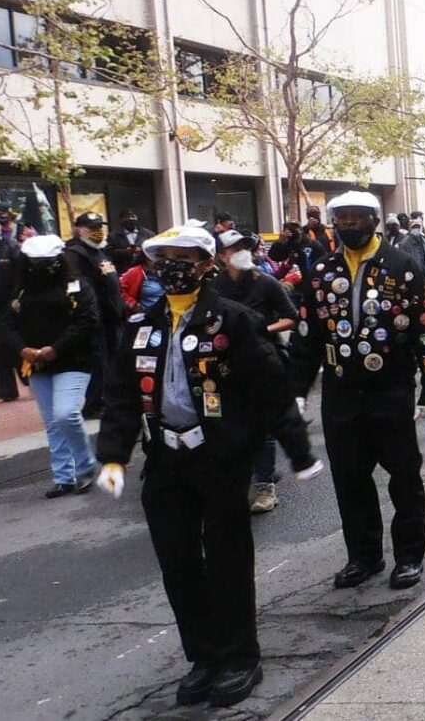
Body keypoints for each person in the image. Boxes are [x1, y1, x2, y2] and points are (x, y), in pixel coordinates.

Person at [95, 224, 322, 707]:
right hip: (165, 458)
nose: (171, 268)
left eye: (183, 258)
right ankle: (204, 655)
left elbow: (271, 389)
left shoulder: (234, 321)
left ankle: (241, 655)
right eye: (163, 260)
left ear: (205, 265)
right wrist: (113, 455)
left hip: (219, 458)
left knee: (227, 558)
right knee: (177, 561)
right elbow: (120, 397)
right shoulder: (141, 328)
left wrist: (298, 451)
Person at [290, 191, 425, 591]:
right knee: (349, 478)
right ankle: (364, 555)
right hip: (341, 392)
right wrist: (297, 389)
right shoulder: (322, 271)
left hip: (390, 389)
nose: (350, 225)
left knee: (404, 475)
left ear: (375, 221)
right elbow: (308, 336)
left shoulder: (403, 266)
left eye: (358, 217)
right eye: (342, 218)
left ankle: (409, 556)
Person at [1, 235, 100, 496]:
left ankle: (85, 466)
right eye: (35, 262)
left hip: (73, 360)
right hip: (36, 363)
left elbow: (87, 321)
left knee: (65, 413)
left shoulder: (76, 286)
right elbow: (7, 324)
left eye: (46, 261)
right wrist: (22, 349)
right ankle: (64, 476)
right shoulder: (21, 288)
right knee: (52, 423)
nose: (40, 267)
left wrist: (56, 349)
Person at [211, 230, 301, 514]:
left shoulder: (267, 283)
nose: (241, 252)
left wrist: (263, 329)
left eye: (245, 247)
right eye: (233, 248)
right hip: (225, 365)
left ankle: (265, 487)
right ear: (222, 256)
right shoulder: (213, 287)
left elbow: (291, 318)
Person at [64, 212, 125, 420]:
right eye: (92, 228)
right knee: (99, 362)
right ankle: (93, 404)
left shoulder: (102, 251)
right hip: (95, 317)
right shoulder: (75, 254)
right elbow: (79, 287)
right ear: (79, 229)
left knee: (113, 359)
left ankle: (109, 399)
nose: (97, 232)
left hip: (112, 316)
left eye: (100, 227)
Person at [0, 215, 22, 403]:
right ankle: (3, 388)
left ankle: (12, 387)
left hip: (7, 305)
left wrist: (16, 298)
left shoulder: (11, 248)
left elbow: (20, 275)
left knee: (7, 345)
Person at [106, 209, 154, 273]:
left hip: (145, 272)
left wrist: (142, 251)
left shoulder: (148, 234)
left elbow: (154, 251)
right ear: (121, 220)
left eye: (133, 217)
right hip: (123, 272)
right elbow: (109, 253)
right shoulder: (113, 236)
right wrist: (126, 251)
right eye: (127, 217)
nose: (130, 219)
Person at [397, 216, 425, 283]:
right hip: (413, 277)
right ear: (410, 228)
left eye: (418, 227)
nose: (416, 229)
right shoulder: (404, 243)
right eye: (414, 227)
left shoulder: (424, 240)